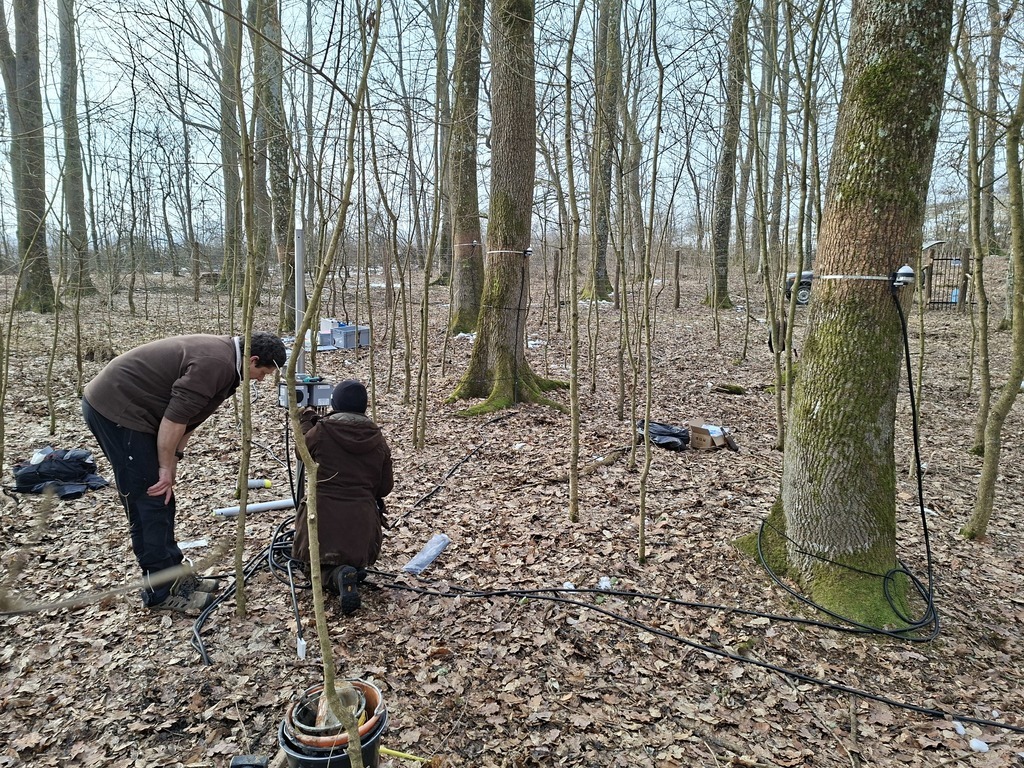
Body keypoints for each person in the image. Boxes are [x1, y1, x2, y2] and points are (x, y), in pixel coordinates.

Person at [82, 332, 287, 615]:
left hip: (141, 414)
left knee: (163, 497)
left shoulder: (229, 366)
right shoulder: (215, 364)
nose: (261, 379)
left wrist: (173, 461)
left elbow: (188, 421)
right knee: (149, 499)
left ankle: (175, 575)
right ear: (252, 359)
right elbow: (173, 420)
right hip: (118, 410)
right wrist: (163, 470)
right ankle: (160, 592)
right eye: (263, 372)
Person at [292, 379, 393, 615]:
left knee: (310, 567)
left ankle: (337, 576)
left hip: (321, 520)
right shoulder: (377, 439)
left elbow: (301, 452)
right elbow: (385, 487)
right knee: (353, 562)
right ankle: (351, 571)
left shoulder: (322, 431)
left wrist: (306, 422)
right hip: (362, 527)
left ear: (334, 403)